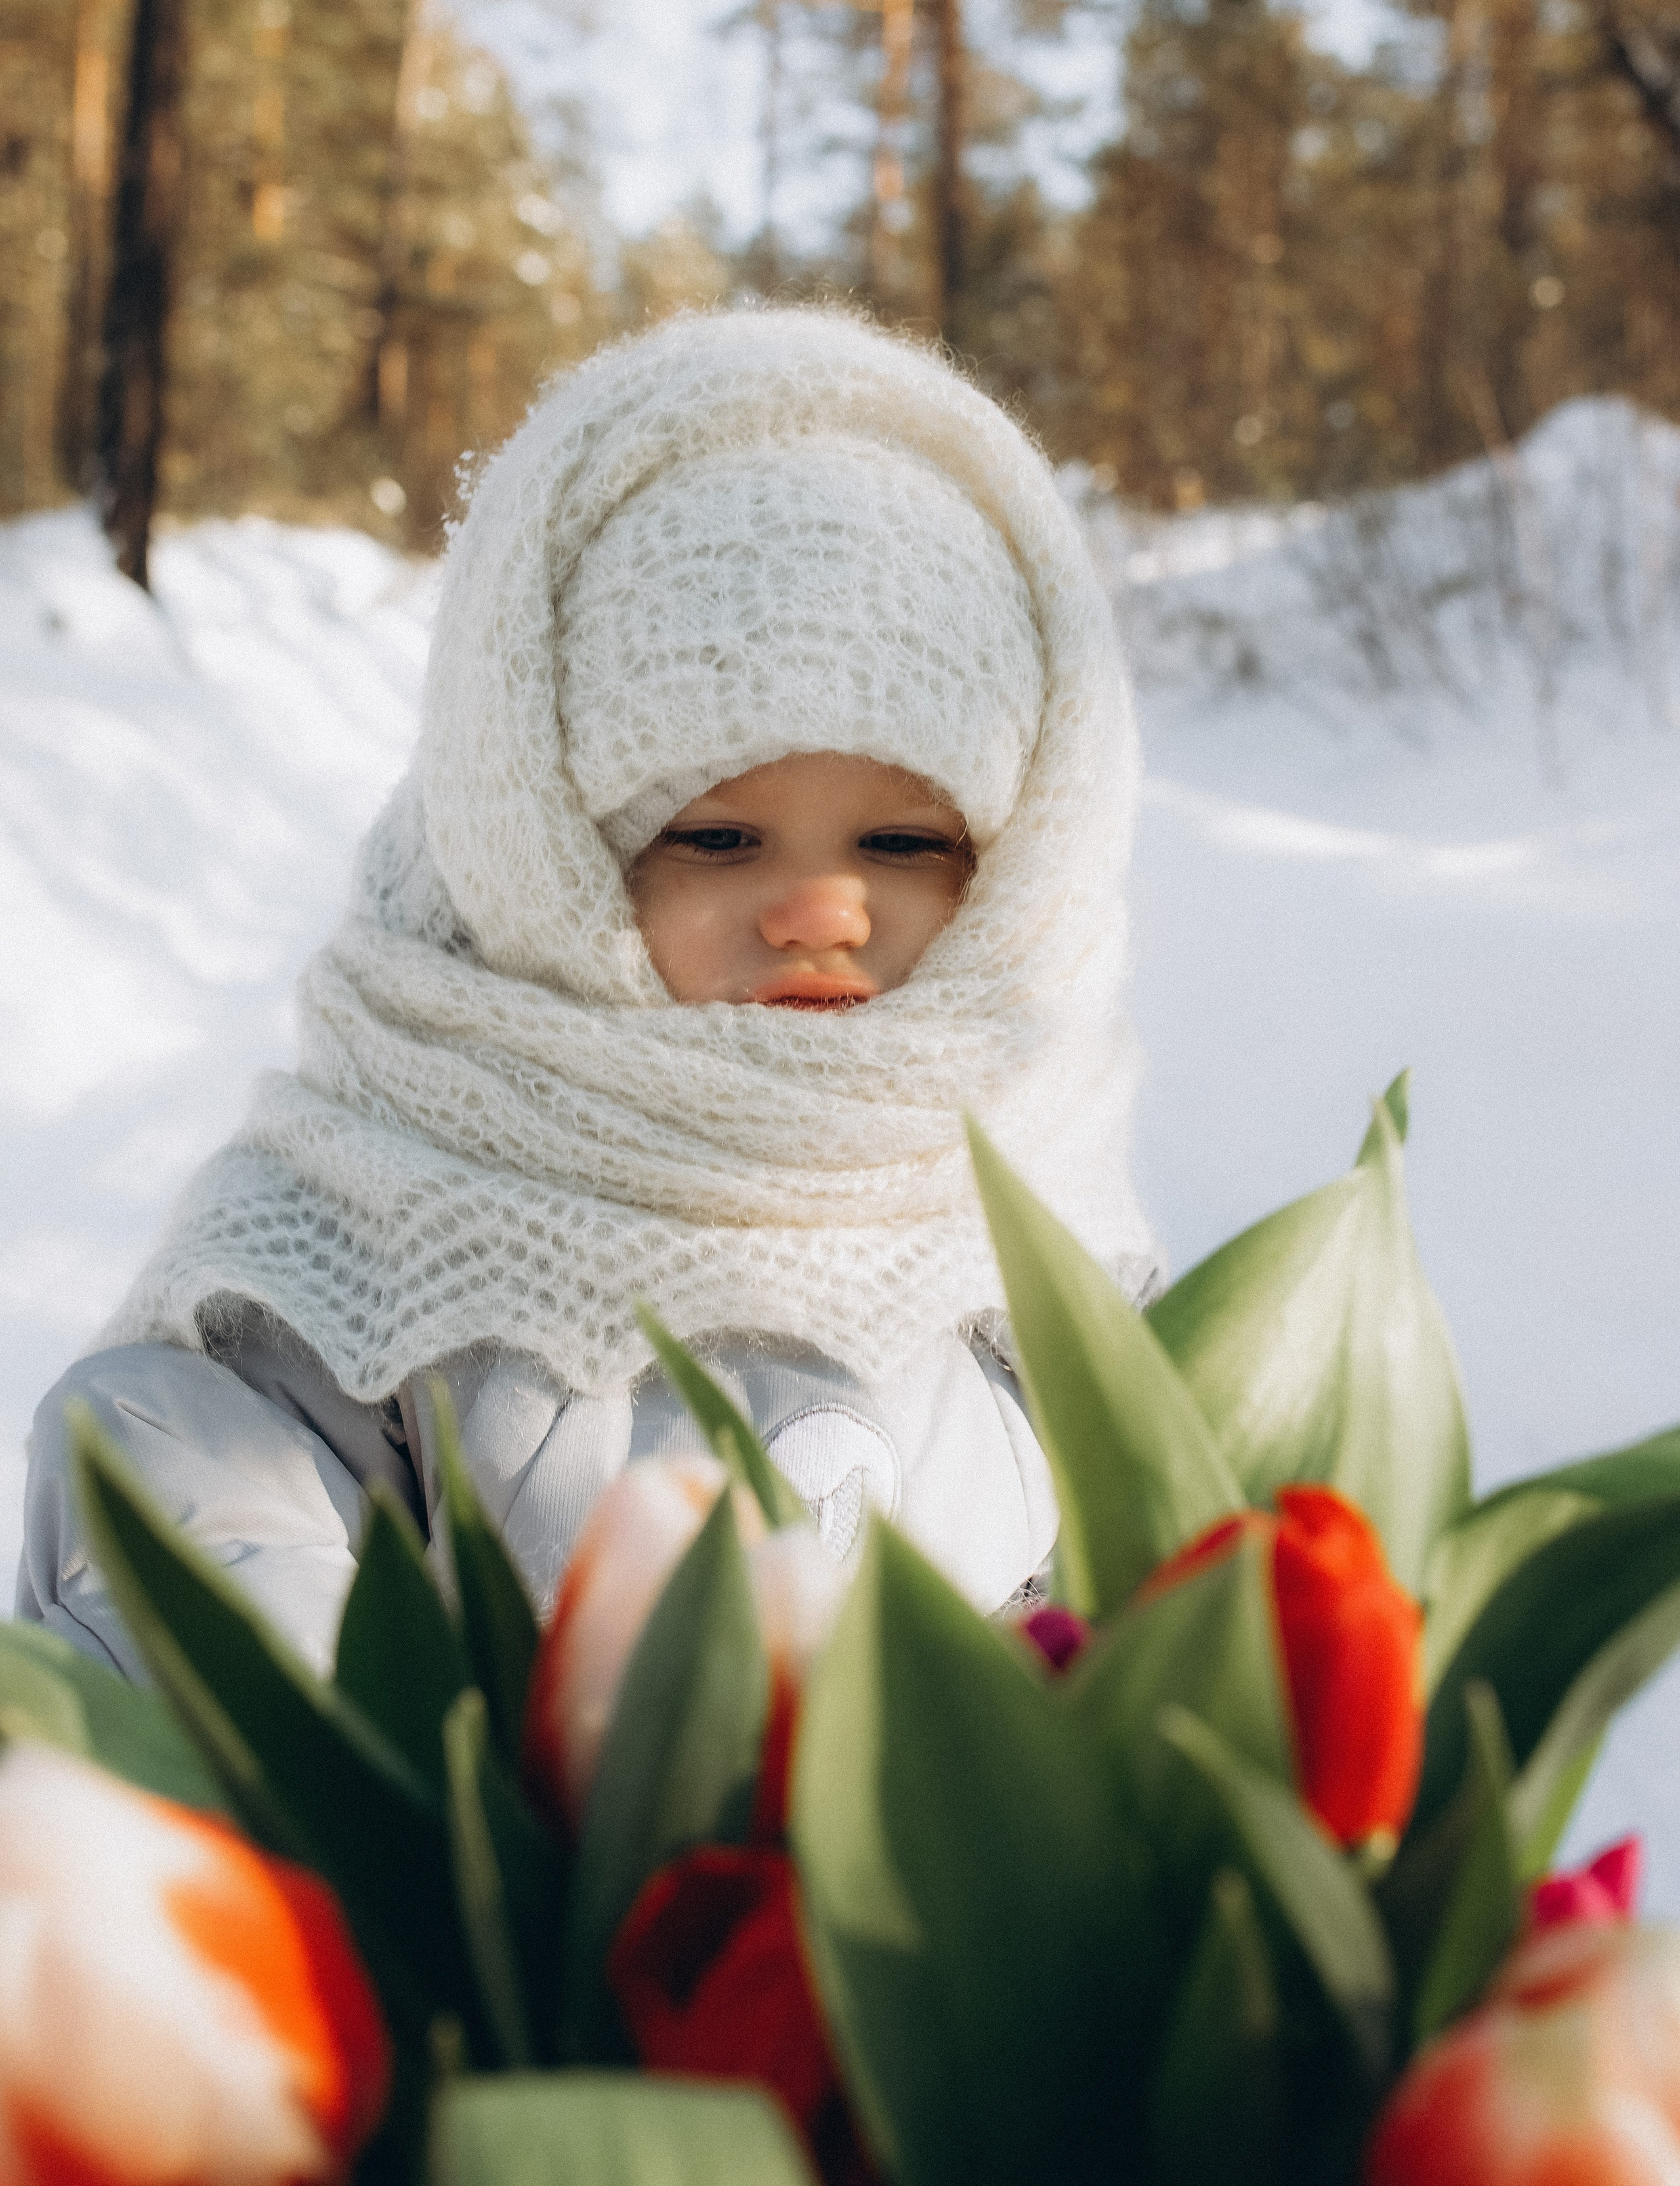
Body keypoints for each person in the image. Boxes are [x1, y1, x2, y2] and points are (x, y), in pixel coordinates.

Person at [18, 306, 1159, 1678]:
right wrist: (376, 1767)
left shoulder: (1034, 1217)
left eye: (904, 842)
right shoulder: (377, 1216)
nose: (819, 907)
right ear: (545, 850)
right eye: (715, 836)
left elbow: (1143, 1582)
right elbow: (171, 1477)